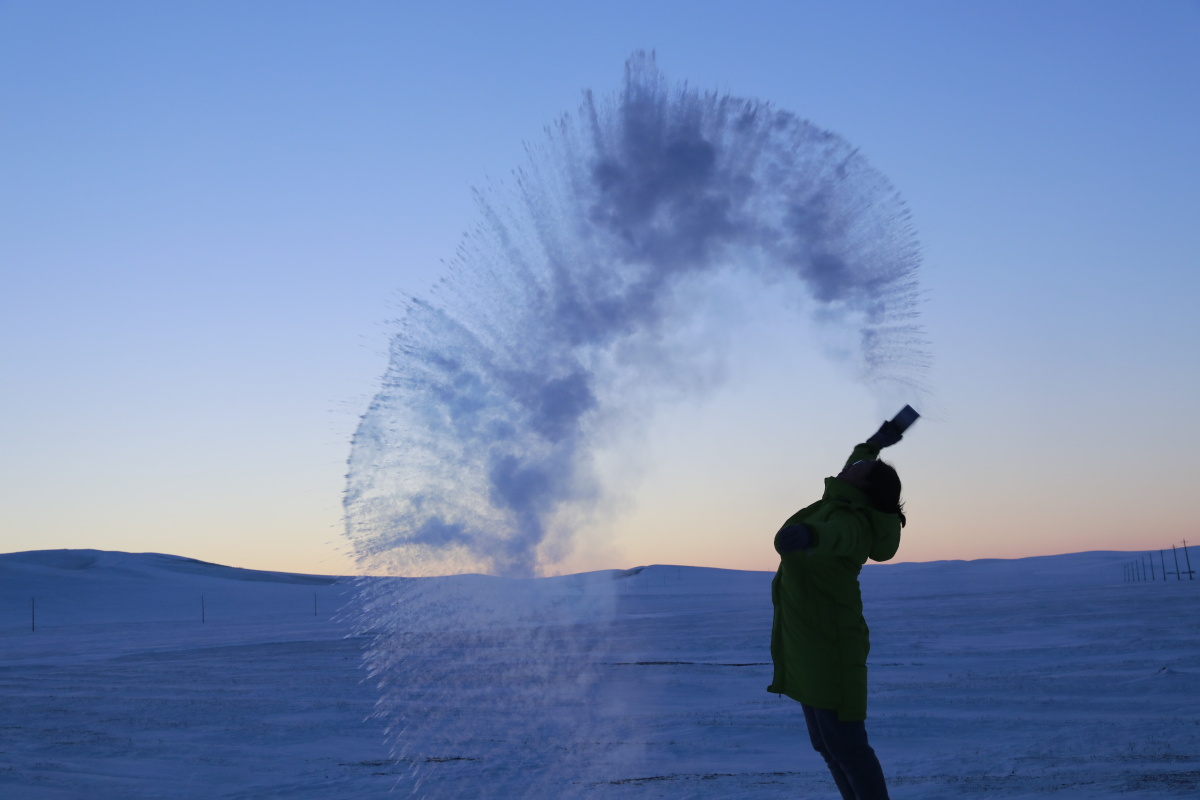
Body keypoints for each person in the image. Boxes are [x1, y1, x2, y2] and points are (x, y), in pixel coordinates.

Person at [767, 418, 907, 800]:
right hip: (809, 642)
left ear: (864, 487)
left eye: (856, 470)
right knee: (827, 747)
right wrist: (875, 443)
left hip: (832, 648)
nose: (847, 466)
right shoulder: (840, 500)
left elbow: (839, 537)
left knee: (848, 747)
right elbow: (860, 459)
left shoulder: (852, 519)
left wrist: (812, 536)